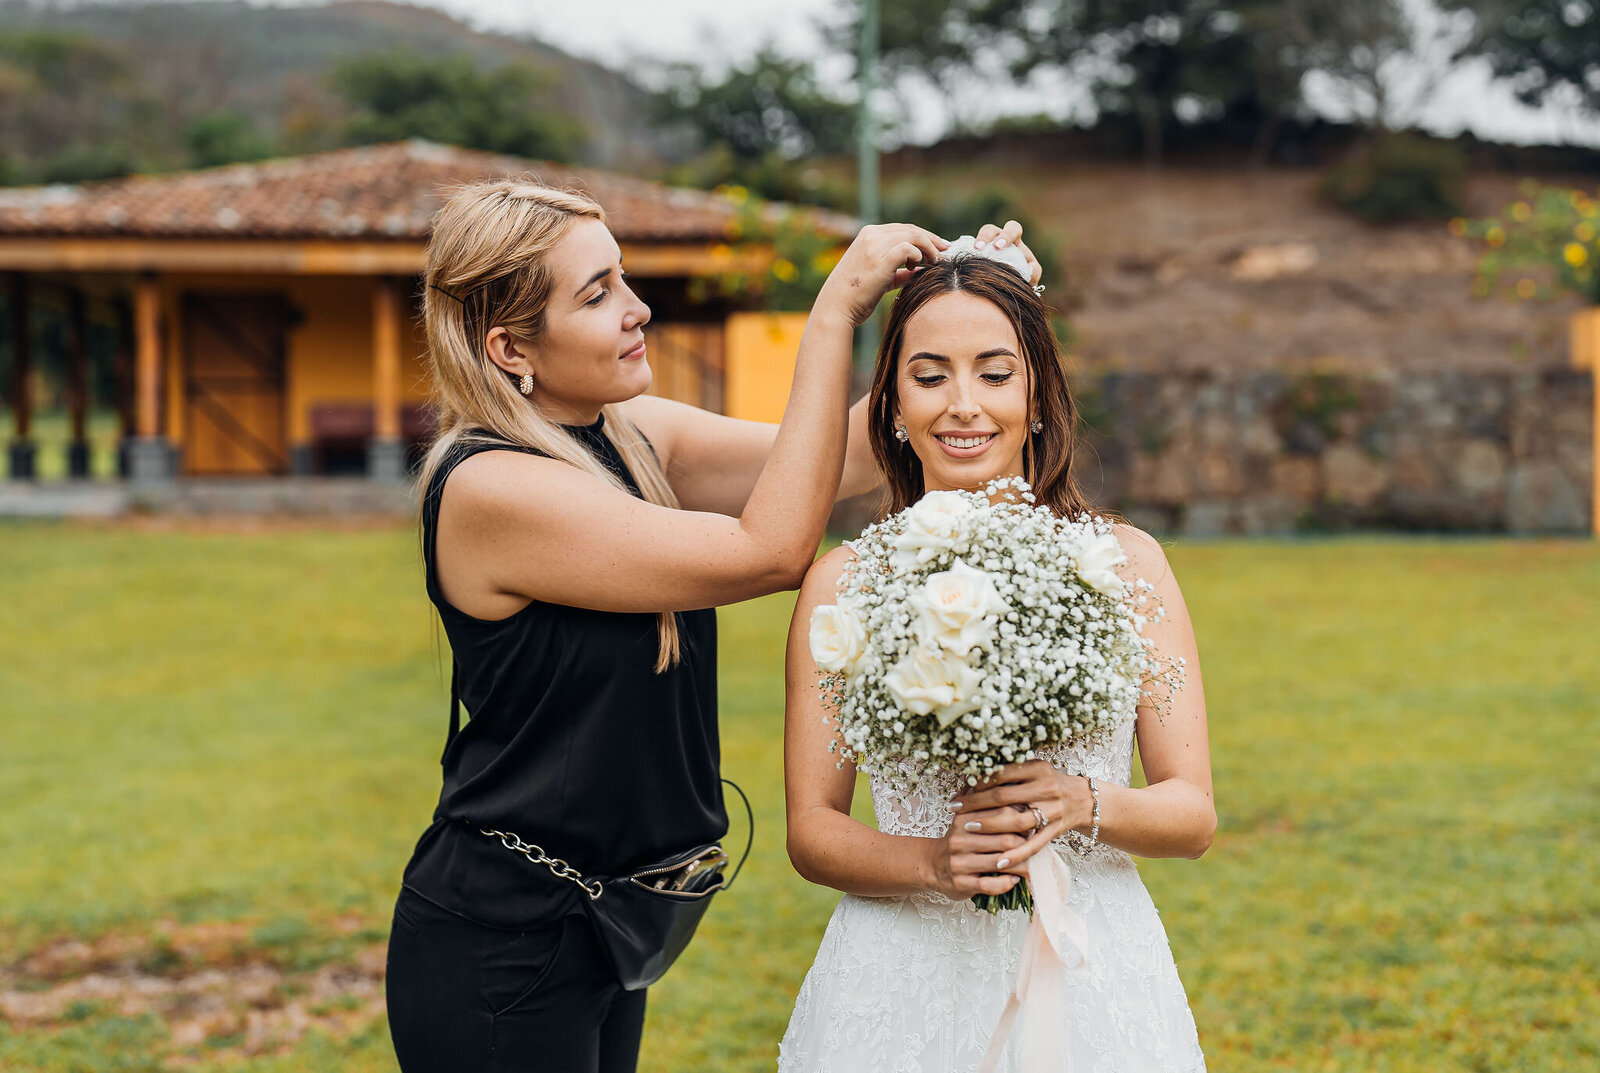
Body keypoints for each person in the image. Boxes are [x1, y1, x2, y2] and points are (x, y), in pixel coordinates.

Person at [383, 176, 1037, 1073]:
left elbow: (837, 455)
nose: (636, 308)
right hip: (504, 936)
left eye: (622, 278)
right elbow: (769, 549)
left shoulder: (628, 431)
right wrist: (833, 312)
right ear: (509, 347)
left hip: (608, 922)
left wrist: (965, 309)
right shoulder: (492, 486)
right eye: (597, 293)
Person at [779, 254, 1215, 1072]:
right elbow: (813, 830)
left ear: (1039, 396)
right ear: (894, 405)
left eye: (994, 372)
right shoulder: (845, 583)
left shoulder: (1126, 562)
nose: (963, 405)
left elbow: (1191, 813)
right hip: (901, 976)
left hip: (1087, 964)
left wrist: (1082, 800)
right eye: (930, 375)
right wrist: (933, 862)